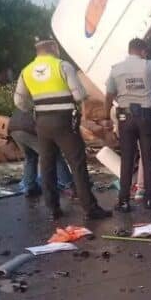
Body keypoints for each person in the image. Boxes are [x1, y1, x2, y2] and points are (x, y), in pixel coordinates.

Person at [14, 37, 112, 220]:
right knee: (77, 163)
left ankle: (53, 209)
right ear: (53, 48)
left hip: (42, 123)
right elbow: (79, 94)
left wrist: (35, 108)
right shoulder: (62, 66)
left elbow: (18, 101)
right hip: (64, 122)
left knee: (47, 165)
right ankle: (90, 208)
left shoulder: (25, 71)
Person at [105, 38, 151, 212]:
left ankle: (123, 201)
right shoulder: (149, 65)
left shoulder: (115, 69)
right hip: (146, 118)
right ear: (143, 51)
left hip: (125, 118)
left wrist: (106, 117)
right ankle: (149, 200)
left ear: (129, 50)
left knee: (127, 159)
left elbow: (109, 95)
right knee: (148, 158)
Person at [9, 109, 74, 196]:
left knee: (30, 158)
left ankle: (29, 187)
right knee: (55, 156)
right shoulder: (52, 105)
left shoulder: (35, 98)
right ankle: (69, 185)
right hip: (29, 128)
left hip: (13, 128)